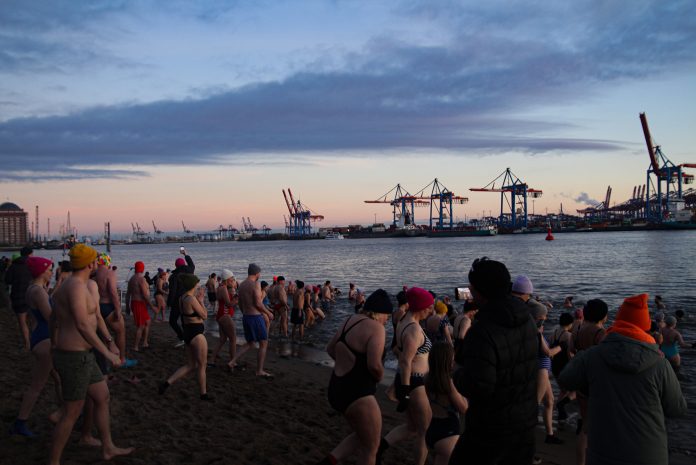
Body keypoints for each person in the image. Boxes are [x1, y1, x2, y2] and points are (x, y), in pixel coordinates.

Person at [559, 293, 687, 465]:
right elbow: (677, 409)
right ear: (645, 326)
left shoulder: (591, 356)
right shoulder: (660, 363)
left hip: (601, 452)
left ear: (618, 321)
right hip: (648, 455)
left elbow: (565, 380)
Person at [48, 244, 132, 464]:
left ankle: (108, 447)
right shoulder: (74, 286)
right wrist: (107, 352)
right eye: (96, 259)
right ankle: (53, 461)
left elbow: (95, 319)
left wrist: (111, 342)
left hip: (85, 356)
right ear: (90, 263)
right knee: (72, 412)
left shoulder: (86, 285)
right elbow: (83, 325)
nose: (98, 262)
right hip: (73, 356)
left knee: (102, 396)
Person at [449, 258, 538, 465]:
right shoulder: (528, 320)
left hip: (490, 428)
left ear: (480, 292)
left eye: (472, 288)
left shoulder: (482, 331)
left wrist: (457, 371)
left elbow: (479, 386)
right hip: (526, 422)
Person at [316, 289, 393, 465]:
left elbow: (330, 349)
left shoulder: (349, 320)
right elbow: (374, 365)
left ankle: (329, 462)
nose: (387, 320)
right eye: (386, 316)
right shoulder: (377, 328)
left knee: (362, 435)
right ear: (379, 312)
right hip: (358, 394)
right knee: (371, 448)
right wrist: (380, 376)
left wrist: (347, 363)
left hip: (337, 388)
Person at [379, 287, 434, 465]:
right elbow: (405, 361)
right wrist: (405, 390)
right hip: (414, 382)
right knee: (426, 429)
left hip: (411, 380)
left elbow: (396, 348)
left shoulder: (404, 321)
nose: (431, 310)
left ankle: (380, 447)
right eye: (429, 307)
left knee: (412, 428)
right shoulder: (414, 330)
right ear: (421, 308)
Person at [10, 257, 58, 437]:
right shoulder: (38, 291)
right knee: (37, 385)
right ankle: (20, 423)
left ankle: (64, 413)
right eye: (49, 270)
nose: (51, 272)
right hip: (45, 340)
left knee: (58, 379)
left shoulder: (34, 288)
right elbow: (51, 317)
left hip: (40, 336)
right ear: (41, 271)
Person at [158, 273, 213, 401]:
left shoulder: (182, 298)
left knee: (190, 365)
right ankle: (203, 394)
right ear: (193, 285)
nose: (198, 285)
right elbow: (204, 316)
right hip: (197, 335)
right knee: (202, 365)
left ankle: (167, 383)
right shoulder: (192, 299)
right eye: (197, 283)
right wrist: (201, 301)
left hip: (187, 333)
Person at [568, 298, 608, 465]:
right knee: (601, 425)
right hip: (596, 383)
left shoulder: (576, 330)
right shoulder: (601, 334)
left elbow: (571, 351)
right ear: (603, 316)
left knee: (585, 425)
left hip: (582, 380)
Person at [227, 263, 275, 377]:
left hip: (246, 317)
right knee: (264, 342)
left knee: (250, 343)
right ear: (257, 273)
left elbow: (240, 303)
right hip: (255, 317)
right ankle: (259, 371)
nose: (260, 275)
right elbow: (258, 303)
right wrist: (268, 313)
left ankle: (232, 361)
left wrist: (245, 313)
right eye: (259, 273)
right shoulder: (256, 284)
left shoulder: (242, 285)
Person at [424, 343, 468, 465]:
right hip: (448, 434)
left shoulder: (427, 378)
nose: (453, 362)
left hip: (432, 430)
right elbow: (463, 408)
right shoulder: (448, 384)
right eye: (452, 359)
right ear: (446, 361)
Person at [528, 299, 563, 445]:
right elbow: (547, 352)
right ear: (535, 318)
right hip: (541, 370)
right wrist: (561, 347)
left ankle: (549, 434)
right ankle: (525, 441)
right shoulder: (536, 333)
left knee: (549, 401)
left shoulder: (535, 331)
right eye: (542, 318)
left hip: (543, 369)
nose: (545, 320)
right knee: (533, 406)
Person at [95, 253, 132, 366]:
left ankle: (105, 362)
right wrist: (118, 310)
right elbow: (113, 292)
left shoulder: (93, 274)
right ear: (108, 261)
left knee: (102, 335)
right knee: (120, 331)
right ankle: (122, 359)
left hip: (97, 307)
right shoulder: (109, 273)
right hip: (108, 306)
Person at [4, 246, 33, 350]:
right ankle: (34, 340)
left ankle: (27, 343)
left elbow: (8, 280)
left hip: (18, 296)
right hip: (32, 294)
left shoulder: (14, 266)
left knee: (22, 321)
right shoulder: (32, 264)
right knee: (33, 319)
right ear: (30, 254)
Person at [209, 269, 238, 367]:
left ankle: (211, 360)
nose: (233, 280)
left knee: (222, 339)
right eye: (231, 278)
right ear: (227, 279)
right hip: (225, 315)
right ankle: (232, 361)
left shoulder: (222, 287)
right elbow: (229, 304)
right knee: (233, 339)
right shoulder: (223, 288)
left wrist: (233, 291)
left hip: (221, 315)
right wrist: (238, 297)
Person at [167, 248, 195, 347]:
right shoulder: (190, 271)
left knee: (172, 321)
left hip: (177, 301)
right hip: (188, 299)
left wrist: (169, 303)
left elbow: (173, 291)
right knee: (185, 320)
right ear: (184, 264)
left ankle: (182, 337)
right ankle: (188, 338)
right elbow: (192, 264)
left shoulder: (174, 276)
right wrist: (185, 254)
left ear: (176, 265)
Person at [550, 312, 574, 420]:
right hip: (564, 367)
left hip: (555, 366)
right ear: (570, 323)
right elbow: (569, 354)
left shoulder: (554, 333)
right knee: (575, 391)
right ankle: (558, 408)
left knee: (563, 391)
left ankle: (557, 414)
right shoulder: (568, 335)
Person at [126, 261, 152, 352]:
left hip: (136, 303)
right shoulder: (141, 279)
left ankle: (145, 342)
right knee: (140, 326)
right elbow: (145, 295)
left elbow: (127, 294)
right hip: (138, 303)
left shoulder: (132, 278)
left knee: (148, 322)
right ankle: (135, 346)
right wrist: (152, 306)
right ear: (142, 268)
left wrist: (127, 306)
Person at [661, 316, 692, 380]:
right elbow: (682, 345)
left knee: (664, 370)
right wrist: (692, 346)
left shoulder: (661, 330)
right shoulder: (676, 333)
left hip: (662, 351)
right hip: (673, 354)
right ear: (674, 324)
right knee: (676, 372)